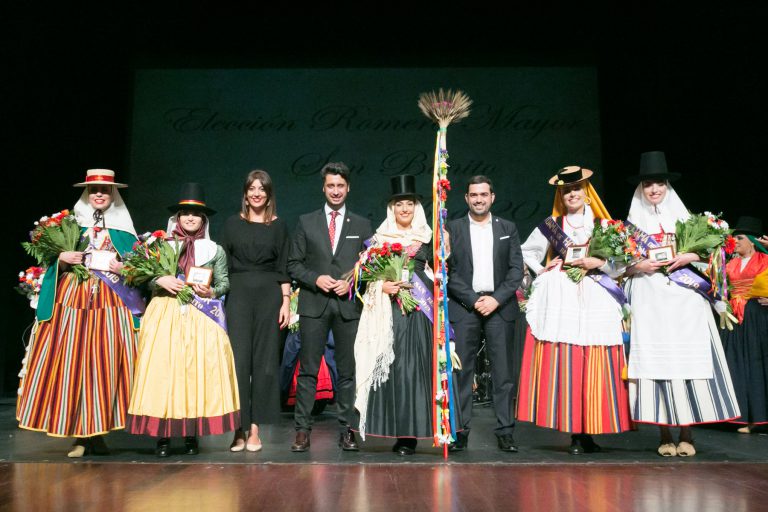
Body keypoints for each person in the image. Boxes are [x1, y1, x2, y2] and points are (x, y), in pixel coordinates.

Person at [16, 169, 141, 457]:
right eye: (94, 189)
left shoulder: (123, 231)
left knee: (105, 365)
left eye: (105, 190)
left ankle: (97, 433)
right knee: (74, 362)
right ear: (87, 193)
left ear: (113, 195)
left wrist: (124, 269)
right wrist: (61, 258)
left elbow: (139, 269)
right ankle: (80, 436)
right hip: (73, 301)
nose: (99, 194)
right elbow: (49, 264)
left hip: (111, 303)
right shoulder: (71, 226)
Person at [624, 151, 740, 457]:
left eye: (659, 183)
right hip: (649, 301)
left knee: (687, 361)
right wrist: (639, 267)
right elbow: (618, 267)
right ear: (641, 189)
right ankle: (664, 433)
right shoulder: (630, 227)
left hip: (685, 302)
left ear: (667, 186)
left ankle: (687, 432)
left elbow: (712, 255)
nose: (654, 190)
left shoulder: (687, 221)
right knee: (656, 363)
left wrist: (689, 256)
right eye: (648, 184)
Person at [517, 166, 633, 454]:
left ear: (587, 193)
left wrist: (599, 264)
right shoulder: (552, 225)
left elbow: (621, 263)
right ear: (561, 195)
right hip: (564, 297)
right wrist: (545, 268)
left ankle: (593, 428)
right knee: (569, 360)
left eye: (576, 189)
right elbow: (526, 251)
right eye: (566, 191)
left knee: (595, 359)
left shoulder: (605, 226)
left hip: (597, 295)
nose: (572, 194)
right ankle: (575, 432)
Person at [126, 183, 240, 456]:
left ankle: (191, 434)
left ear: (204, 219)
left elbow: (224, 282)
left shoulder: (214, 250)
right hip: (165, 311)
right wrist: (159, 279)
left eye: (196, 214)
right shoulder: (159, 245)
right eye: (185, 213)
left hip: (200, 316)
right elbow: (138, 275)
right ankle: (163, 436)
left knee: (194, 373)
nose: (190, 218)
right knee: (165, 372)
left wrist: (211, 290)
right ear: (177, 217)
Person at [287, 162, 373, 452]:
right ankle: (302, 430)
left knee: (348, 372)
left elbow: (370, 266)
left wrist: (353, 282)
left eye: (340, 186)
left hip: (348, 306)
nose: (336, 191)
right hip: (314, 304)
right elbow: (293, 265)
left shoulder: (362, 224)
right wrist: (316, 278)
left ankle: (348, 429)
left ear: (348, 187)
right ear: (323, 188)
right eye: (330, 186)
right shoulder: (306, 221)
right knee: (309, 370)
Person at [354, 175, 436, 455]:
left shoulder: (429, 236)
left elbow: (440, 274)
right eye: (399, 204)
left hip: (419, 313)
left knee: (415, 371)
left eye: (410, 204)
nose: (405, 209)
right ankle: (393, 429)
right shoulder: (379, 239)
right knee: (393, 370)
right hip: (390, 314)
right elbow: (366, 279)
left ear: (416, 207)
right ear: (392, 208)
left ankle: (412, 433)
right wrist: (382, 286)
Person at [447, 175, 523, 452]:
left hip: (499, 307)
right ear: (466, 198)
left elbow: (516, 269)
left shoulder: (507, 228)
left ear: (492, 197)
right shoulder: (452, 228)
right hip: (465, 307)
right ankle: (460, 430)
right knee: (462, 373)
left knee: (503, 374)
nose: (479, 199)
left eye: (483, 194)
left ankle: (505, 430)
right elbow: (448, 271)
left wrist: (495, 299)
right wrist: (473, 299)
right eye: (473, 195)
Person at [220, 170, 291, 452]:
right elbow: (220, 265)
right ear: (245, 193)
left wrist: (286, 301)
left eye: (262, 188)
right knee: (237, 362)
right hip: (237, 294)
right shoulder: (231, 224)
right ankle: (238, 429)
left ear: (269, 194)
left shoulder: (279, 225)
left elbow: (284, 266)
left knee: (263, 363)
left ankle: (255, 431)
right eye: (252, 188)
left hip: (269, 296)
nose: (257, 193)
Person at [720, 216, 768, 433]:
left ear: (751, 240)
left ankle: (759, 417)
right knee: (737, 363)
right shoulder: (730, 263)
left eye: (739, 238)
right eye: (733, 238)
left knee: (757, 363)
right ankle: (742, 415)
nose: (735, 241)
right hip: (734, 317)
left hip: (758, 316)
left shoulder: (764, 259)